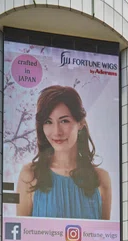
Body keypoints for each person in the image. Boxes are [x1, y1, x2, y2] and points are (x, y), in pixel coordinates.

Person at [16, 85, 113, 220]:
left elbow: (105, 238)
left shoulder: (101, 179)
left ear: (80, 123)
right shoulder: (29, 175)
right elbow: (21, 236)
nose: (56, 132)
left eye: (64, 121)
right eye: (48, 122)